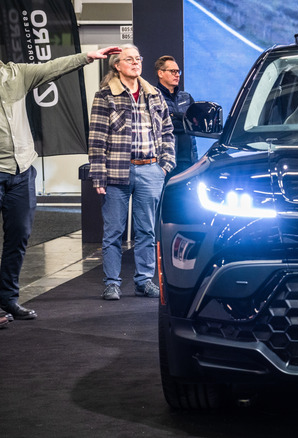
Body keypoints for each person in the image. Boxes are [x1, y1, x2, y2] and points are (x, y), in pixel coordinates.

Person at [0, 45, 121, 324]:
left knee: (19, 237)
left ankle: (8, 298)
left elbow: (52, 67)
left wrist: (87, 56)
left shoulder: (17, 74)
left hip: (21, 169)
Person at [88, 44, 176, 301]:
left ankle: (144, 281)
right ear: (117, 65)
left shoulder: (154, 94)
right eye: (129, 59)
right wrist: (98, 175)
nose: (136, 63)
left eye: (138, 58)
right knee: (113, 231)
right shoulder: (106, 96)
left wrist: (165, 164)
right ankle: (112, 283)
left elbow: (168, 132)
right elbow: (96, 139)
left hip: (150, 169)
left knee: (146, 231)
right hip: (117, 171)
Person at [155, 56, 197, 176]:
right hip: (163, 163)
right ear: (160, 73)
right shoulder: (152, 97)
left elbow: (194, 125)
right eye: (172, 71)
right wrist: (182, 118)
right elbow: (160, 125)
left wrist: (175, 116)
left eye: (178, 71)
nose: (177, 75)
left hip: (188, 162)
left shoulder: (186, 97)